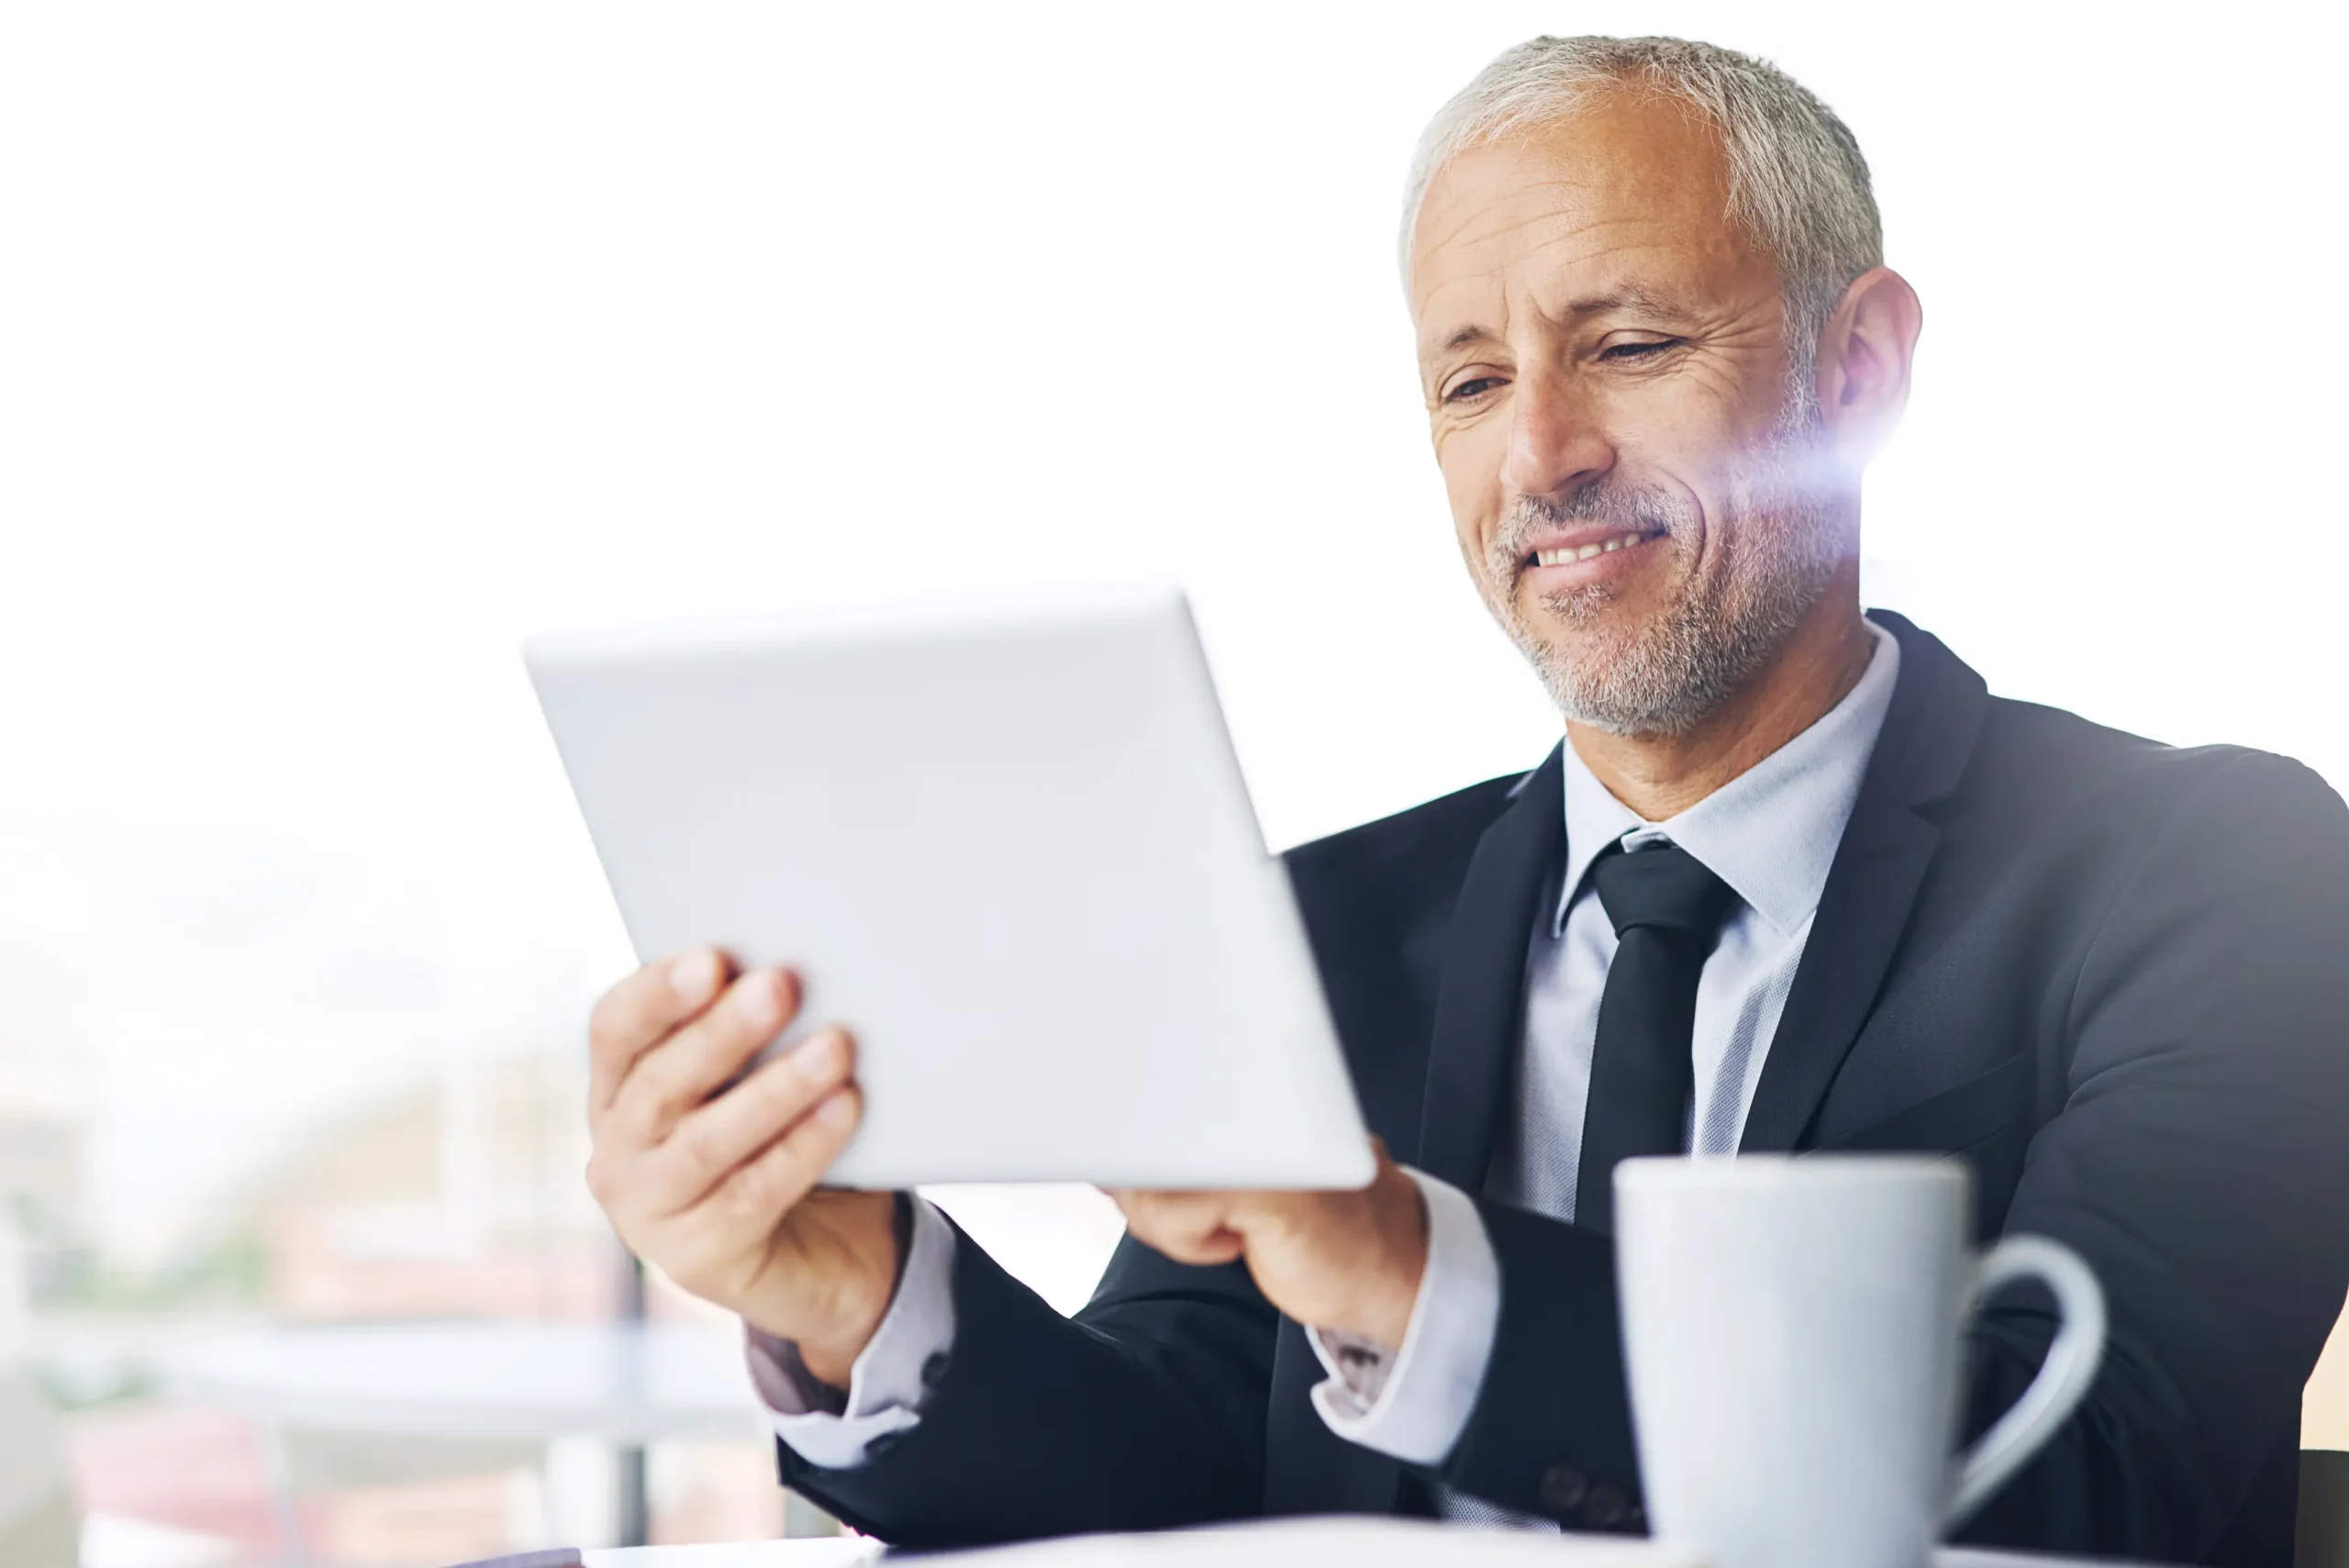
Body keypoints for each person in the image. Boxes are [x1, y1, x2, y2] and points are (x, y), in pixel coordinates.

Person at [577, 34, 2349, 1566]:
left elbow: (2106, 1480)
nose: (1540, 456)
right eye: (1474, 380)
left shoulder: (2225, 879)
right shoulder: (1317, 930)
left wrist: (1407, 1270)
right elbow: (1184, 1486)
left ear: (1861, 369)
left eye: (1632, 345)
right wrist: (858, 1296)